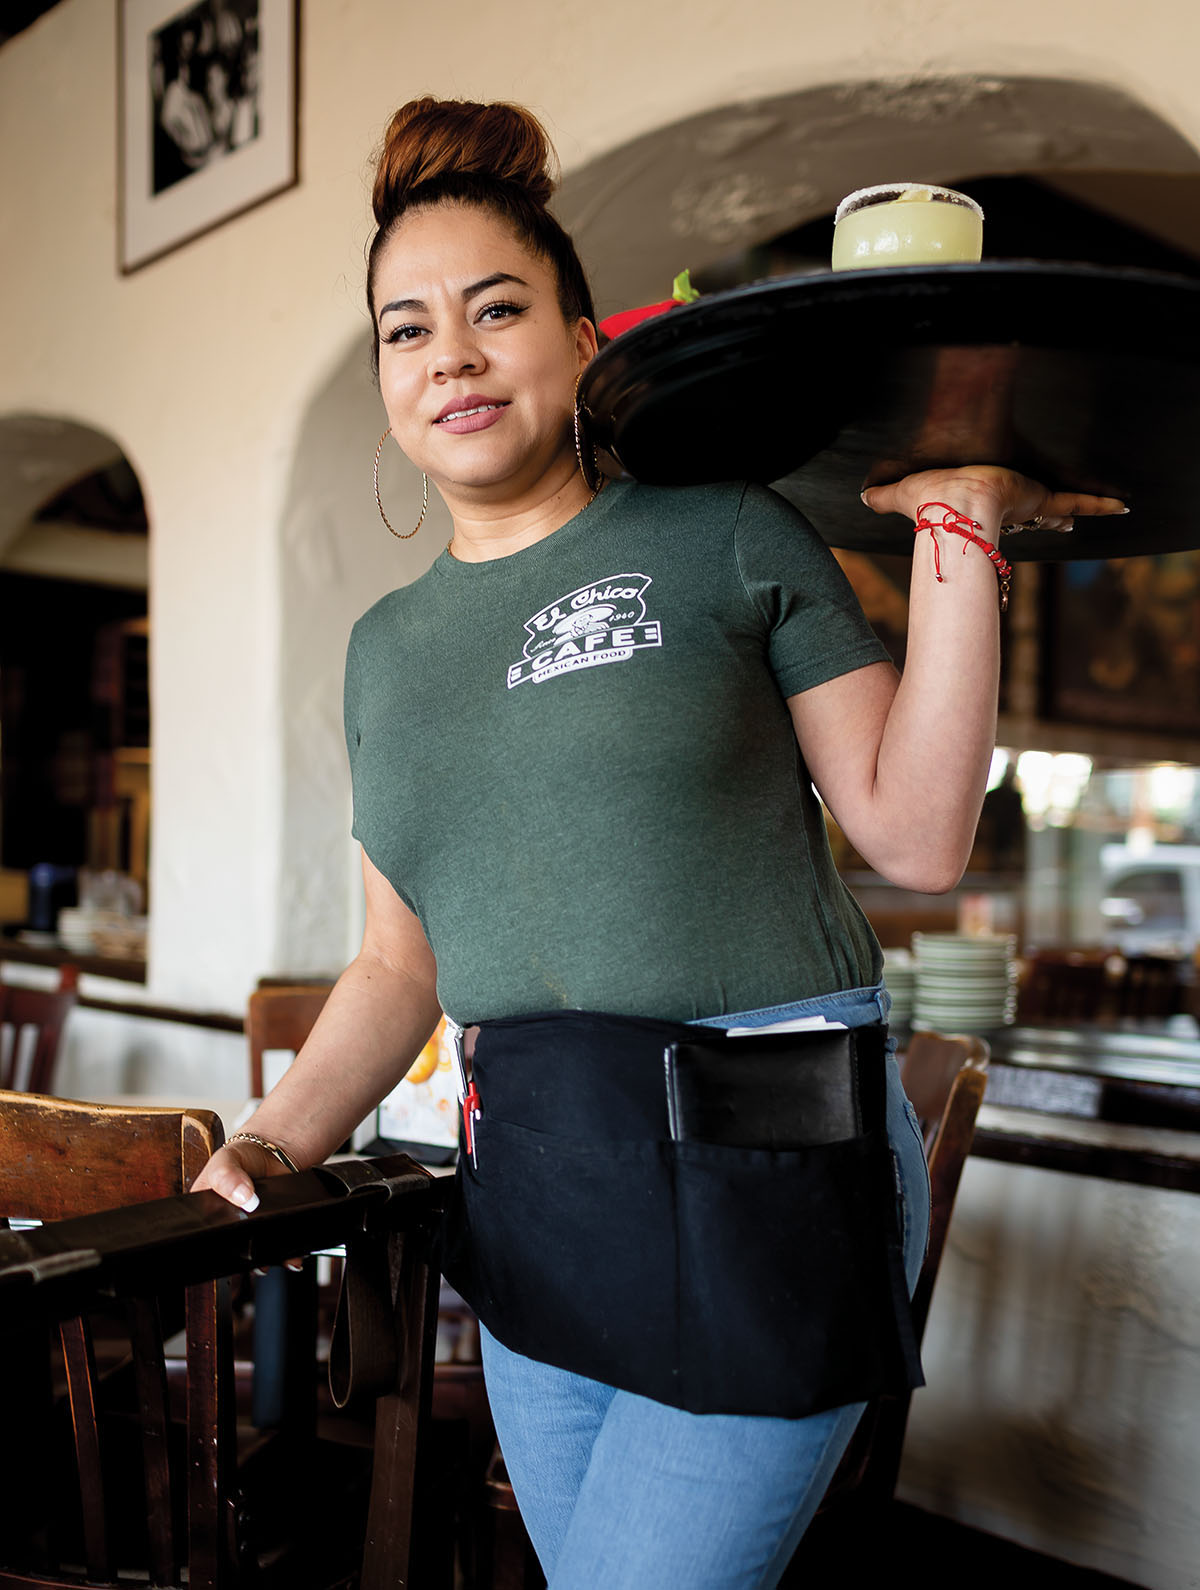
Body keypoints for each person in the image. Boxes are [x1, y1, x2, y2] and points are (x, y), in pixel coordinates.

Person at [193, 97, 1125, 1586]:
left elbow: (921, 830)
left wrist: (960, 530)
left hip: (771, 1156)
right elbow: (397, 960)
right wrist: (267, 1139)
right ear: (383, 377)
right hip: (544, 1187)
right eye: (405, 328)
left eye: (496, 311)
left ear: (579, 340)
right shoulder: (384, 652)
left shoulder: (724, 532)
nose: (453, 354)